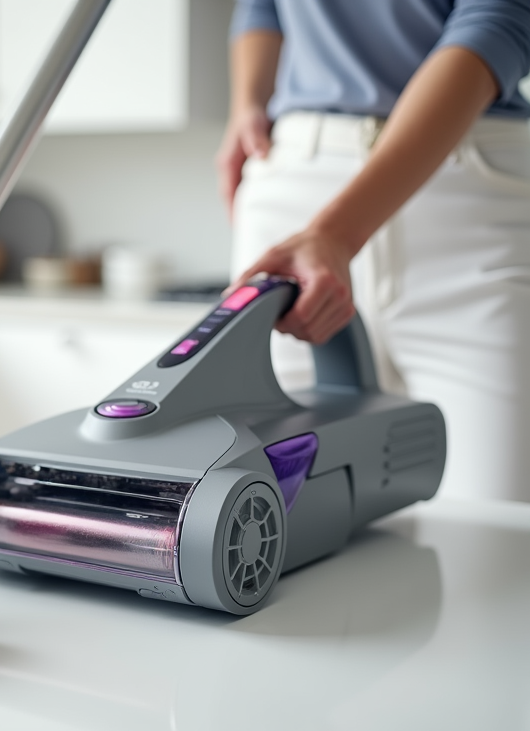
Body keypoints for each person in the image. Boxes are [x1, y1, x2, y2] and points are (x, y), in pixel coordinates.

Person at [217, 0, 530, 502]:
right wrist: (246, 101)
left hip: (468, 196)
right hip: (294, 182)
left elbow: (499, 21)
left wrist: (337, 235)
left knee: (495, 529)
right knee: (276, 517)